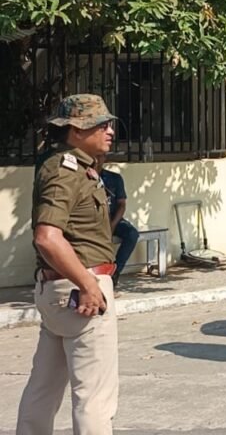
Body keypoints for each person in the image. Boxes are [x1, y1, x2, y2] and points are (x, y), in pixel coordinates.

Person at [18, 94, 120, 435]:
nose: (110, 131)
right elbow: (47, 237)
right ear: (76, 129)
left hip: (62, 290)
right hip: (79, 291)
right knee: (94, 397)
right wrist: (89, 285)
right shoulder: (66, 169)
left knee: (44, 387)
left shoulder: (75, 165)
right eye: (101, 124)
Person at [95, 154, 139, 288]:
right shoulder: (83, 179)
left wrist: (112, 225)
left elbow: (121, 204)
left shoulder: (114, 178)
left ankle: (115, 272)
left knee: (132, 234)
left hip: (113, 219)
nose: (97, 160)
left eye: (100, 156)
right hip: (93, 221)